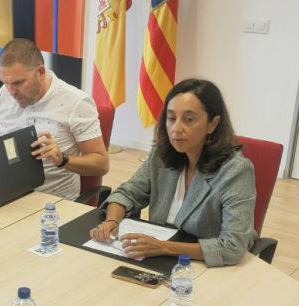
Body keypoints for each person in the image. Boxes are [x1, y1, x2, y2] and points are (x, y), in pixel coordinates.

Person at [89, 79, 256, 267]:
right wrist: (112, 220)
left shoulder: (236, 171)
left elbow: (232, 247)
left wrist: (164, 247)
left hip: (205, 266)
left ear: (213, 124)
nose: (176, 128)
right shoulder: (161, 156)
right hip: (156, 260)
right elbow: (127, 193)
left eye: (189, 119)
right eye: (171, 118)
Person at [0, 38, 108, 199]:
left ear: (40, 72)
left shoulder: (76, 102)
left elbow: (101, 164)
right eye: (6, 83)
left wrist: (63, 160)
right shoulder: (3, 94)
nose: (11, 91)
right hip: (9, 195)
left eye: (18, 83)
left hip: (53, 202)